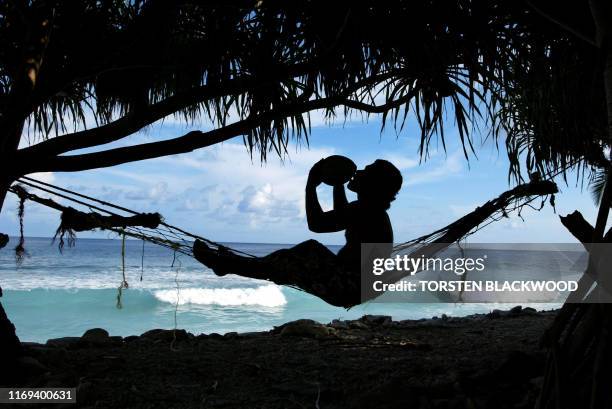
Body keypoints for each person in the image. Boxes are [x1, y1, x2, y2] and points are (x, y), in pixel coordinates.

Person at [193, 158, 403, 307]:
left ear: (373, 184)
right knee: (293, 258)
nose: (358, 173)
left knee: (306, 252)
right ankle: (231, 264)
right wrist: (337, 183)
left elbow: (318, 224)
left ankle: (228, 264)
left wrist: (311, 185)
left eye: (365, 172)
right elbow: (339, 216)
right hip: (352, 285)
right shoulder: (370, 210)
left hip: (349, 287)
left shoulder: (367, 210)